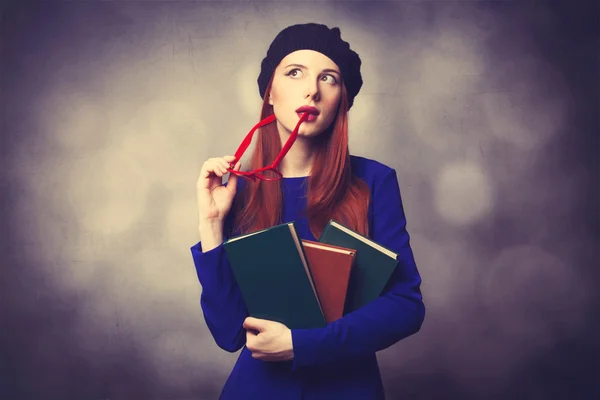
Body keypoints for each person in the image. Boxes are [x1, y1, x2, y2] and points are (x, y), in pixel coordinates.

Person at [191, 23, 425, 399]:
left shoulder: (374, 180)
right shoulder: (239, 188)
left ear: (341, 100)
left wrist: (305, 343)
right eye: (294, 72)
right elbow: (229, 334)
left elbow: (406, 305)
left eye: (328, 78)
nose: (311, 90)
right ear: (270, 93)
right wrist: (212, 224)